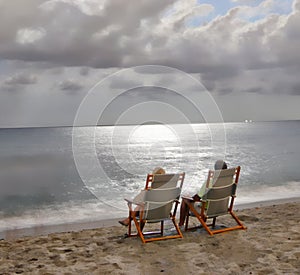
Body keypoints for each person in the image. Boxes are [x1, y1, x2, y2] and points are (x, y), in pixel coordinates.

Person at [178, 160, 227, 226]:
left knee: (184, 200)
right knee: (190, 200)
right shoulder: (230, 181)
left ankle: (181, 225)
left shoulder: (210, 181)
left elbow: (198, 197)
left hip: (207, 211)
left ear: (215, 169)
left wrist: (189, 198)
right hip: (222, 208)